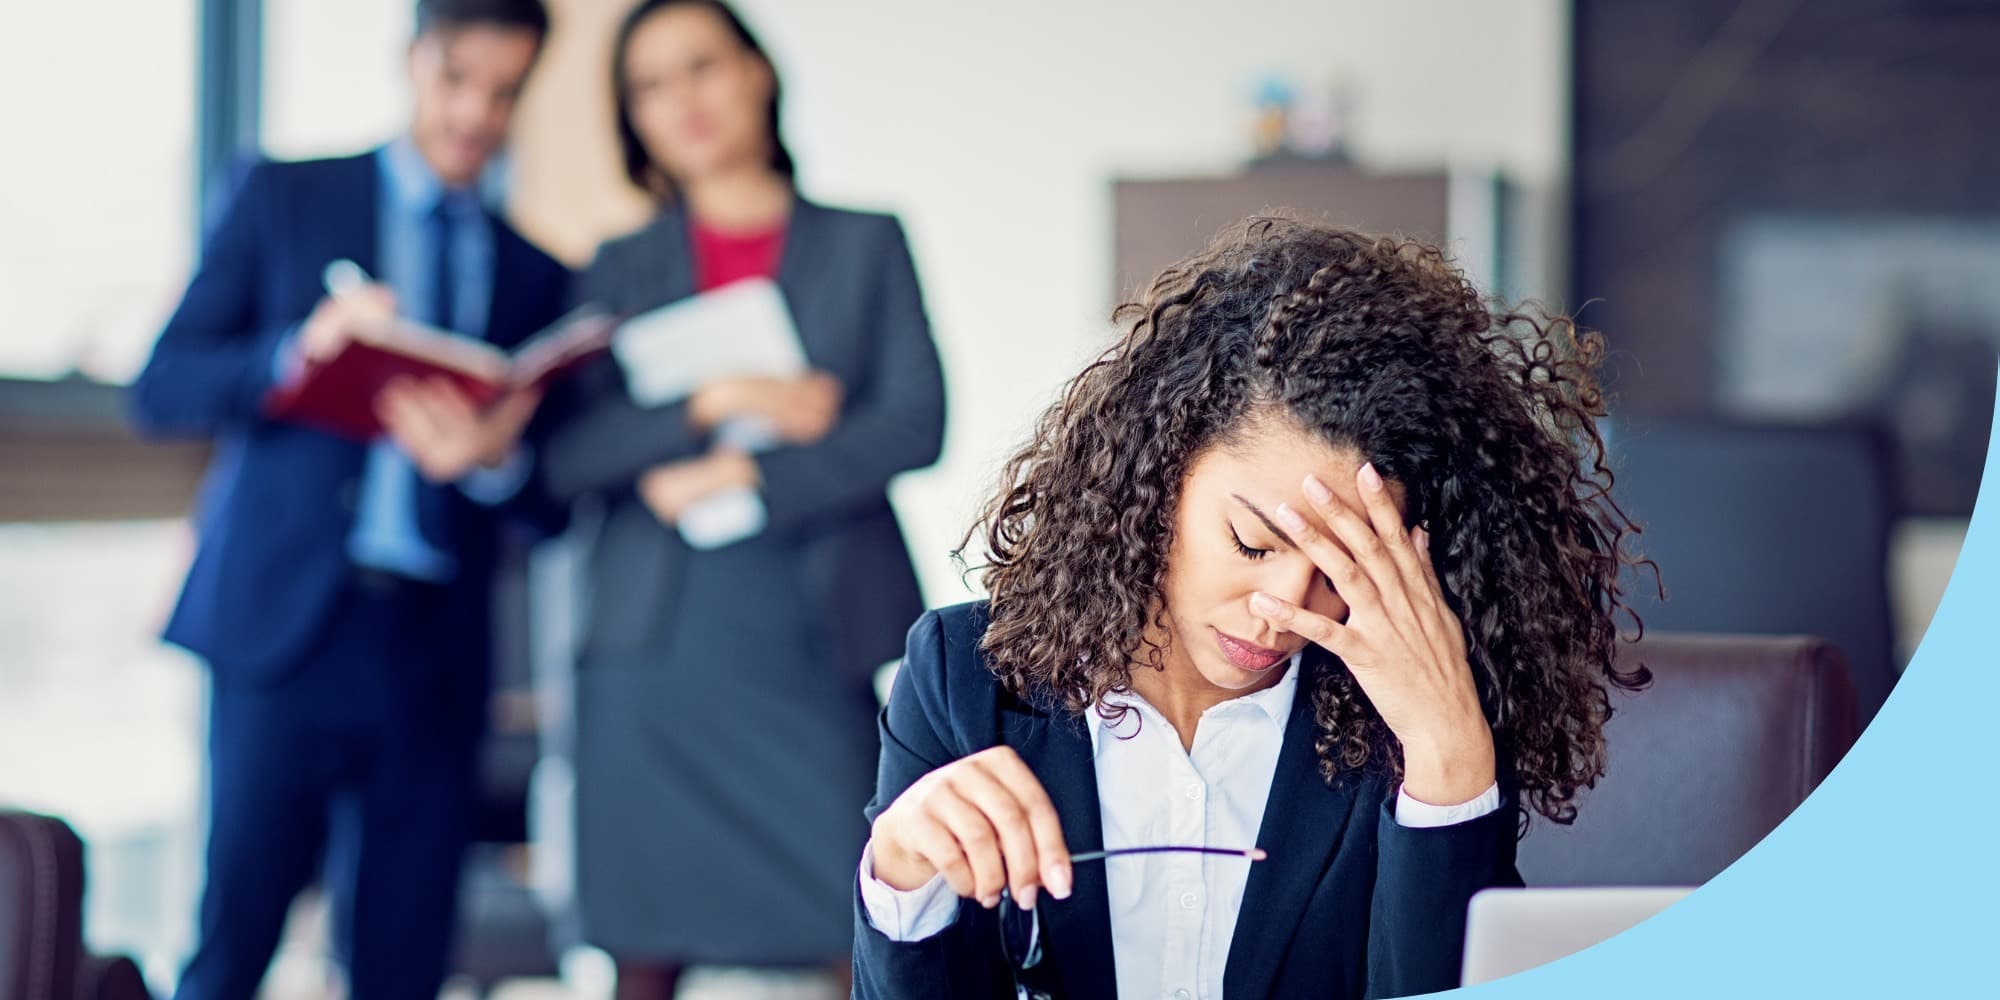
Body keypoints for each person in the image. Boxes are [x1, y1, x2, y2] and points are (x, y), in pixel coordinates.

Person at [853, 217, 1650, 999]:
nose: (1284, 610)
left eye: (1344, 568)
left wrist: (1448, 757)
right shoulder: (964, 678)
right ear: (1160, 476)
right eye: (1252, 543)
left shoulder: (1414, 716)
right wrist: (900, 875)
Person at [126, 2, 569, 997]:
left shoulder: (536, 271)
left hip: (431, 650)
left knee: (404, 959)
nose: (474, 116)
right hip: (284, 632)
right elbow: (161, 387)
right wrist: (296, 353)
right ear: (411, 62)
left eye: (504, 94)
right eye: (456, 80)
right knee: (232, 939)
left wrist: (493, 460)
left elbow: (548, 507)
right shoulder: (286, 197)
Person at [534, 1, 945, 996]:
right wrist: (708, 408)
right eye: (649, 85)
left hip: (810, 626)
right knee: (643, 935)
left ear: (758, 73)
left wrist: (749, 473)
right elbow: (566, 452)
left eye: (702, 67)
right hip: (654, 645)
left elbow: (913, 422)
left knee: (855, 915)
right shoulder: (615, 268)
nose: (683, 101)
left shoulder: (864, 243)